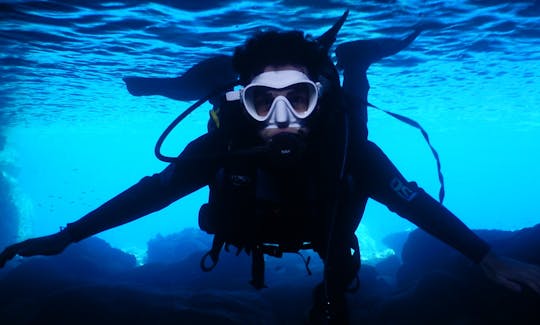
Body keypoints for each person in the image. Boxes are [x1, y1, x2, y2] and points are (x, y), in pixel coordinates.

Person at [1, 28, 540, 325]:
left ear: (315, 99)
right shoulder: (221, 145)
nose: (283, 120)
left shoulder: (349, 150)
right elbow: (151, 194)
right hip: (236, 120)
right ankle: (212, 82)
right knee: (224, 100)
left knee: (352, 119)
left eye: (299, 99)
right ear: (247, 103)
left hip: (328, 200)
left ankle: (355, 65)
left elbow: (413, 201)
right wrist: (67, 237)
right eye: (263, 102)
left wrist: (486, 257)